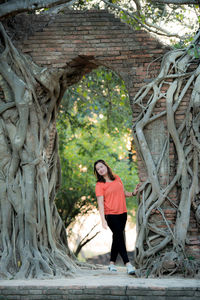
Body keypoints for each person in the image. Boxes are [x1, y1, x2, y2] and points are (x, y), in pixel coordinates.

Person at [94, 159, 140, 275]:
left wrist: (133, 193)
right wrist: (103, 220)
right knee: (119, 236)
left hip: (122, 213)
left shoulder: (117, 178)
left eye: (101, 167)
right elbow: (100, 203)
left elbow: (123, 193)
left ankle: (111, 263)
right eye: (98, 169)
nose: (100, 170)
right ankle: (128, 264)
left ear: (106, 166)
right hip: (110, 214)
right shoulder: (99, 185)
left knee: (117, 237)